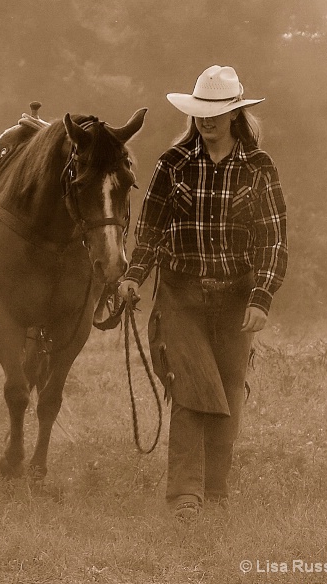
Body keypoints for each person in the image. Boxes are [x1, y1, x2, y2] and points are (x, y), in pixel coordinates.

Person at [119, 65, 288, 520]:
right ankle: (185, 497)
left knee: (229, 394)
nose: (207, 119)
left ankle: (216, 492)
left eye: (217, 111)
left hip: (235, 297)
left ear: (235, 114)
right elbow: (151, 227)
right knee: (192, 388)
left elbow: (272, 238)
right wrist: (134, 275)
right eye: (200, 112)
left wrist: (261, 296)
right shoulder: (173, 163)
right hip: (181, 294)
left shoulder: (259, 167)